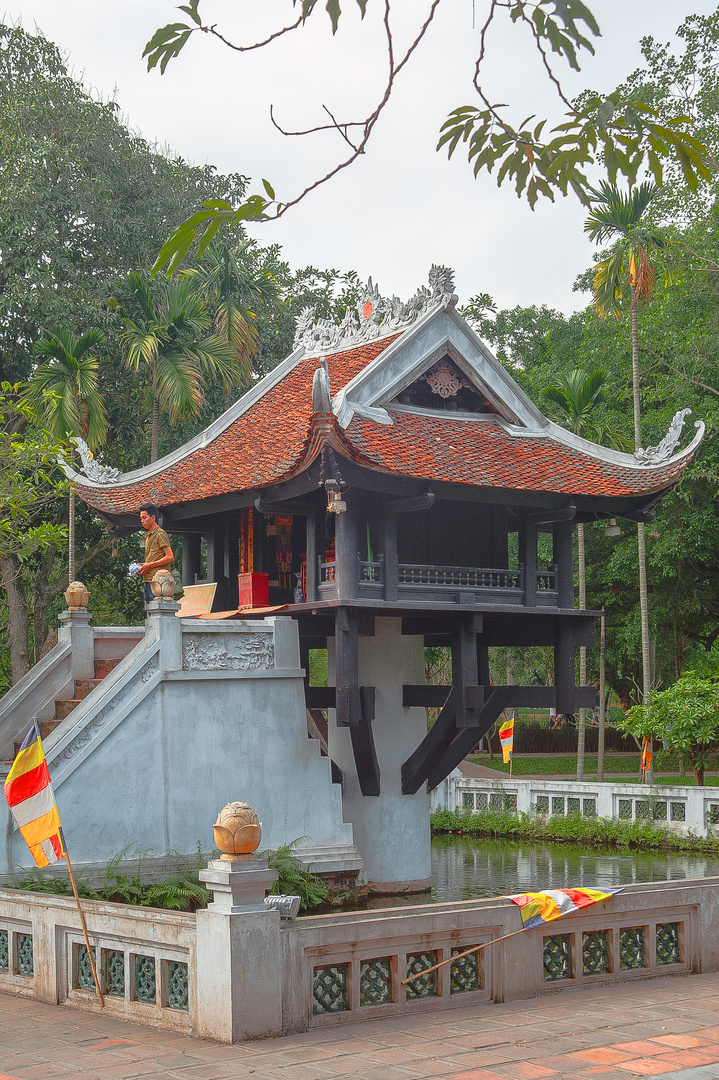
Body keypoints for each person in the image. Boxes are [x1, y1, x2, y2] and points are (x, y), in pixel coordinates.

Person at [137, 503, 174, 605]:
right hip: (148, 579)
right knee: (150, 613)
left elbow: (170, 557)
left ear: (153, 518)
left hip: (159, 582)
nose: (142, 521)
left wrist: (150, 565)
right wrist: (143, 567)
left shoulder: (160, 534)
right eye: (141, 518)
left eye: (144, 517)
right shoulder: (148, 535)